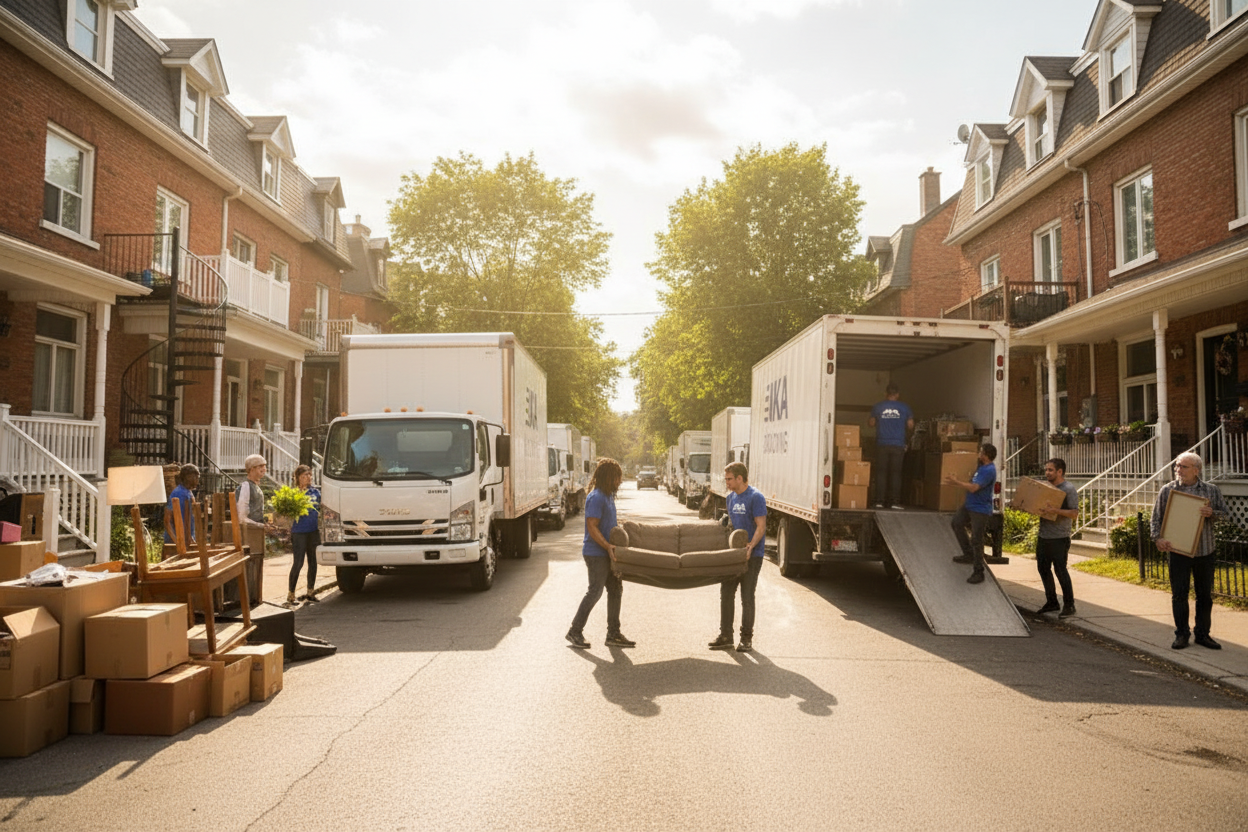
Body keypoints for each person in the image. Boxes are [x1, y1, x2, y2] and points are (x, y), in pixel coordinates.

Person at [1151, 452, 1231, 650]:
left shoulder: (1211, 491)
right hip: (1178, 551)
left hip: (1205, 551)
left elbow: (1226, 516)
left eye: (1184, 467)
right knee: (1179, 594)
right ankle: (1182, 634)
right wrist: (1158, 539)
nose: (1178, 470)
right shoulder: (1168, 490)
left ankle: (1203, 634)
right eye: (1177, 466)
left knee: (1204, 595)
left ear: (1197, 470)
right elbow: (1156, 518)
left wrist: (1212, 513)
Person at [567, 457, 634, 649]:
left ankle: (613, 634)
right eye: (617, 478)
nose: (619, 481)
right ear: (608, 477)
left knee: (615, 590)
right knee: (594, 592)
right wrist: (607, 546)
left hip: (607, 553)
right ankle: (574, 631)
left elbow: (607, 524)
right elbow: (592, 527)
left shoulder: (607, 496)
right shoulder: (596, 497)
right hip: (596, 553)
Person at [710, 462, 767, 653]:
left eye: (729, 479)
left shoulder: (755, 497)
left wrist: (751, 545)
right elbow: (733, 526)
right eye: (726, 479)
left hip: (753, 555)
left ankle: (746, 639)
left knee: (747, 596)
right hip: (734, 555)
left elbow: (761, 526)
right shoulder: (730, 498)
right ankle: (726, 636)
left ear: (740, 478)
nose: (726, 482)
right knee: (726, 593)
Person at [1032, 458, 1079, 617]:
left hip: (1059, 537)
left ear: (1060, 472)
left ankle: (1069, 605)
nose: (1047, 473)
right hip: (1044, 535)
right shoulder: (1047, 488)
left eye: (1050, 470)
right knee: (1043, 569)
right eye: (1046, 470)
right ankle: (1052, 602)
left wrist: (1055, 510)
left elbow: (1074, 513)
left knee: (1060, 570)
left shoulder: (1068, 489)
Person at [946, 443, 998, 584]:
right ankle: (968, 554)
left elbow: (974, 488)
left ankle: (978, 572)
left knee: (977, 539)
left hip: (980, 509)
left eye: (980, 452)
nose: (978, 454)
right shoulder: (981, 467)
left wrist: (956, 482)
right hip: (970, 505)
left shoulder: (989, 470)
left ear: (985, 455)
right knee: (956, 523)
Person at [868, 383, 914, 509]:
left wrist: (880, 421)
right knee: (896, 474)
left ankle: (879, 501)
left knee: (881, 473)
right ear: (898, 395)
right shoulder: (905, 407)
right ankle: (894, 502)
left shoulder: (878, 406)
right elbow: (910, 425)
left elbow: (871, 423)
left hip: (882, 443)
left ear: (885, 394)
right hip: (898, 445)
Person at [236, 454, 272, 605]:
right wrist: (260, 526)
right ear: (251, 469)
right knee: (249, 565)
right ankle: (247, 600)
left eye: (264, 466)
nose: (264, 469)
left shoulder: (257, 488)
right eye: (260, 466)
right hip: (248, 534)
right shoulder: (245, 486)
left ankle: (256, 598)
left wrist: (266, 523)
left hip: (256, 533)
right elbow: (242, 517)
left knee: (258, 564)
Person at [288, 464, 320, 606]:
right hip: (299, 532)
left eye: (309, 475)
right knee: (298, 562)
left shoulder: (315, 492)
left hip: (313, 531)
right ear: (298, 478)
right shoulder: (294, 493)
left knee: (312, 561)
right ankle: (291, 594)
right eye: (304, 476)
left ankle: (310, 591)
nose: (308, 478)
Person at [163, 464, 199, 545]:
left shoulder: (189, 493)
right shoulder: (178, 493)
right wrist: (177, 541)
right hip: (174, 543)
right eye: (195, 477)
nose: (197, 481)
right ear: (188, 477)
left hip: (187, 541)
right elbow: (167, 520)